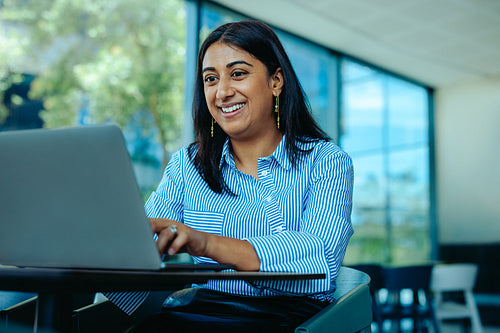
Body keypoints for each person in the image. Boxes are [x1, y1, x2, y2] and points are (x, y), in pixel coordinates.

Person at [117, 19, 354, 333]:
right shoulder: (187, 166)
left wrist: (207, 243)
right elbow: (141, 248)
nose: (223, 92)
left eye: (238, 73)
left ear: (276, 81)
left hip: (295, 321)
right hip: (199, 314)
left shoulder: (326, 161)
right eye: (211, 79)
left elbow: (319, 255)